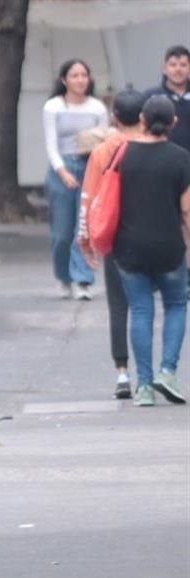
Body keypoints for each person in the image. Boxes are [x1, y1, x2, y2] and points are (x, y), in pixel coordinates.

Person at [112, 96, 190, 407]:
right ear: (174, 122)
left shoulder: (123, 155)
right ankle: (167, 371)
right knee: (176, 305)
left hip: (129, 247)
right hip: (169, 246)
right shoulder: (181, 158)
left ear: (142, 120)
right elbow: (187, 211)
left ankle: (143, 386)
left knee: (141, 310)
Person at [77, 90, 147, 400]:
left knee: (119, 306)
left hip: (116, 236)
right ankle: (154, 374)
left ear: (115, 117)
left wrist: (86, 240)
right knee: (149, 307)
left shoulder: (103, 152)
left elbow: (88, 199)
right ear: (143, 117)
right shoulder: (157, 148)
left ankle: (122, 372)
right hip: (154, 236)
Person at [43, 58, 108, 300]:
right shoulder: (54, 107)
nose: (80, 80)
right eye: (74, 75)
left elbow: (104, 141)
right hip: (62, 167)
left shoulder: (97, 108)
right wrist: (63, 171)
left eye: (84, 75)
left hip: (90, 166)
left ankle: (83, 280)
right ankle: (63, 277)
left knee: (84, 228)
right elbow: (51, 145)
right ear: (64, 80)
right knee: (61, 232)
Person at [144, 45, 190, 298]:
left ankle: (186, 276)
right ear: (164, 67)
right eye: (173, 64)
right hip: (159, 168)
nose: (178, 69)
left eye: (184, 64)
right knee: (159, 222)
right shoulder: (152, 97)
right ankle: (155, 276)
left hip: (189, 170)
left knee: (187, 222)